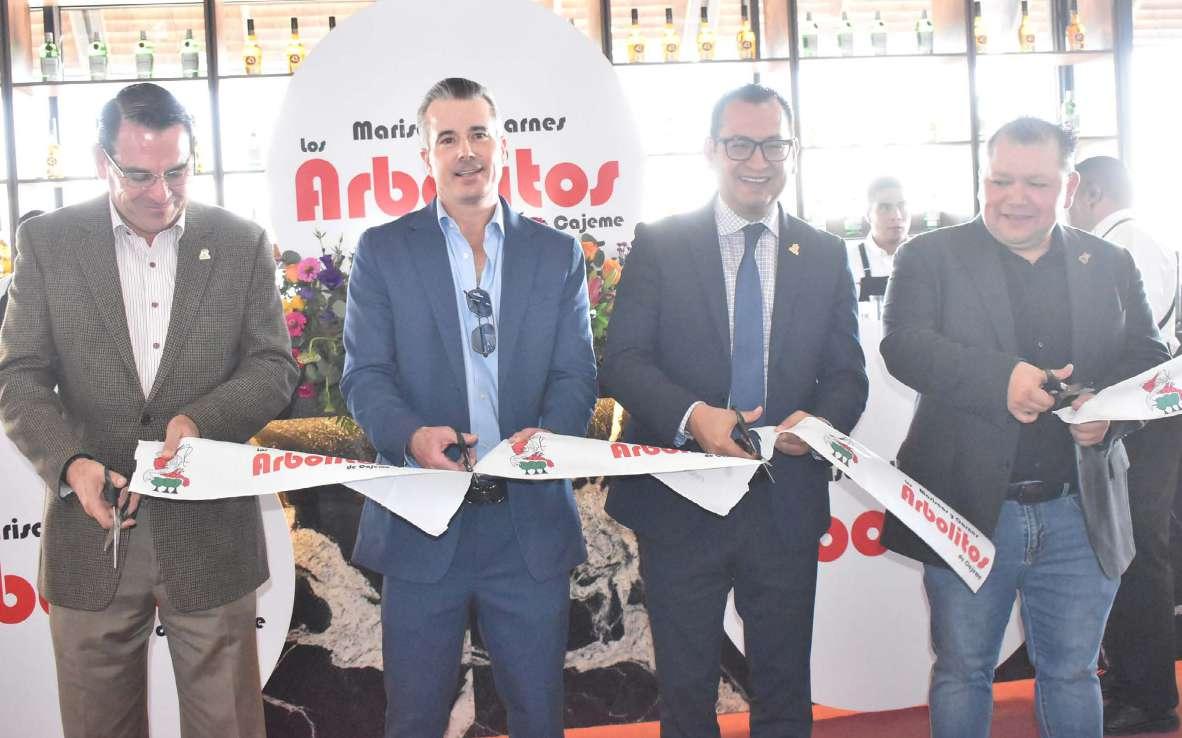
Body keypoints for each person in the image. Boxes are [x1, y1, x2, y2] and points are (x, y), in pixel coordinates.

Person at [0, 83, 298, 737]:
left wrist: (199, 422)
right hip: (91, 529)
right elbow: (19, 377)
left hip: (210, 533)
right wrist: (71, 464)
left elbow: (272, 367)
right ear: (100, 161)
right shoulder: (48, 243)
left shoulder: (241, 241)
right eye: (138, 175)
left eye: (177, 171)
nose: (161, 193)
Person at [879, 118, 1170, 738]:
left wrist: (1108, 411)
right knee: (963, 671)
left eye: (1036, 183)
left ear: (1069, 187)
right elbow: (903, 345)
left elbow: (1147, 355)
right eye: (1000, 180)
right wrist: (1000, 378)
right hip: (966, 509)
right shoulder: (929, 256)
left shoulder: (1110, 262)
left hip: (1079, 510)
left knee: (1074, 674)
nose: (1015, 198)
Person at [601, 83, 868, 738]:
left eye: (773, 145)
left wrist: (820, 425)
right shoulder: (661, 242)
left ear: (792, 151)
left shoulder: (824, 253)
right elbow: (624, 359)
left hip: (784, 501)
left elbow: (847, 374)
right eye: (741, 144)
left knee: (784, 692)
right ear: (711, 150)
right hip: (681, 500)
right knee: (687, 695)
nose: (758, 161)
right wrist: (693, 415)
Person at [340, 77, 597, 738]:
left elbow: (575, 375)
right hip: (424, 522)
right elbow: (366, 376)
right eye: (447, 138)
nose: (466, 151)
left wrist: (547, 442)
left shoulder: (556, 253)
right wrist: (411, 436)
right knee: (415, 719)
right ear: (426, 156)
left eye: (479, 133)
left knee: (539, 716)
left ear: (503, 146)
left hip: (527, 523)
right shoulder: (384, 251)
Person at [1069, 155, 1182, 736]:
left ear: (1090, 193)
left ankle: (1148, 694)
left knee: (1134, 553)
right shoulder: (1139, 239)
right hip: (1140, 416)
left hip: (1141, 418)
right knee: (1126, 550)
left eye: (1068, 193)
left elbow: (1139, 346)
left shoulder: (1126, 245)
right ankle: (1134, 683)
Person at [851, 176, 909, 299]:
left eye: (902, 205)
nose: (896, 215)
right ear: (868, 215)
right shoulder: (849, 263)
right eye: (885, 208)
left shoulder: (928, 259)